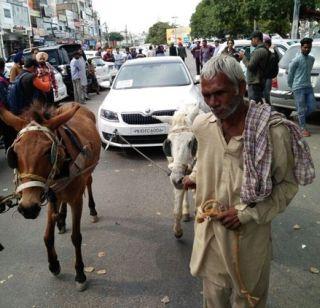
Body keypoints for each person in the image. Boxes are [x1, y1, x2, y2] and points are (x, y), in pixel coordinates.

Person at [183, 55, 314, 308]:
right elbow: (206, 160)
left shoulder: (272, 132)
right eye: (207, 95)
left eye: (219, 93)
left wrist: (245, 214)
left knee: (249, 300)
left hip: (249, 240)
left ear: (241, 87)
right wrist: (196, 177)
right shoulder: (203, 126)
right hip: (209, 237)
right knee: (213, 300)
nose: (213, 103)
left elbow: (287, 186)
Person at [287, 37, 315, 137]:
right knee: (301, 109)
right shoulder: (296, 60)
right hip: (298, 87)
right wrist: (291, 86)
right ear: (301, 47)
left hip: (308, 86)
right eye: (305, 47)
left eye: (309, 47)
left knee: (312, 107)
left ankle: (300, 116)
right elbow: (290, 74)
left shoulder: (312, 59)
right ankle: (302, 128)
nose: (307, 49)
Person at [240, 31, 269, 103]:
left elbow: (250, 66)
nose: (251, 42)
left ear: (256, 39)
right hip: (259, 81)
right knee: (258, 103)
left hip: (255, 82)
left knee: (254, 105)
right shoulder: (264, 49)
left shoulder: (258, 51)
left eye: (252, 39)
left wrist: (243, 57)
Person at [0, 57, 15, 150]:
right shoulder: (1, 81)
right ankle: (11, 152)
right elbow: (6, 98)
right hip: (4, 112)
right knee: (9, 133)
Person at [263, 38, 273, 105]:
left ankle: (268, 105)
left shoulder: (271, 54)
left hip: (269, 76)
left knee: (267, 92)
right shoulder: (262, 53)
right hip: (263, 76)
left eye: (266, 45)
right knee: (264, 92)